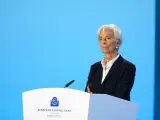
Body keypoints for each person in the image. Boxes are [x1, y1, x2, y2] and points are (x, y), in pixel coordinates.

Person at [85, 24, 136, 101]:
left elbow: (119, 97)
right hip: (95, 112)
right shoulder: (94, 67)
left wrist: (95, 98)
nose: (103, 42)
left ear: (118, 43)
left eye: (107, 38)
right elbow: (87, 94)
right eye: (100, 39)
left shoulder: (127, 67)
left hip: (117, 112)